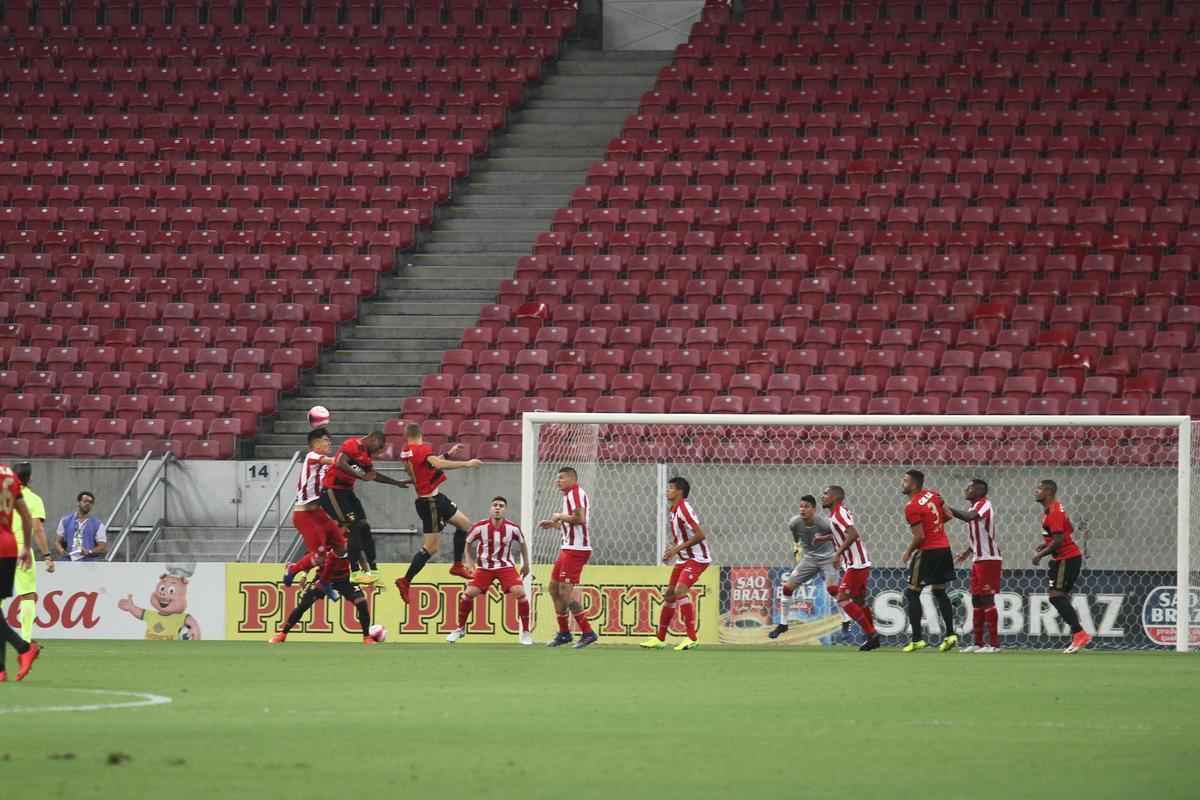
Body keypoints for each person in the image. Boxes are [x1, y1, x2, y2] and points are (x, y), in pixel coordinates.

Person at [394, 423, 483, 601]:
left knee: (465, 525)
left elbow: (427, 465)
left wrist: (449, 453)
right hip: (430, 503)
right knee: (431, 548)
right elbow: (437, 463)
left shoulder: (406, 451)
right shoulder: (421, 449)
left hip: (435, 498)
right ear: (421, 434)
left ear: (406, 436)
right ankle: (405, 580)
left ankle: (457, 565)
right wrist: (467, 463)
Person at [319, 429, 410, 584]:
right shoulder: (352, 444)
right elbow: (340, 462)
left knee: (364, 526)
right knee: (354, 526)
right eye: (379, 447)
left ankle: (372, 570)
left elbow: (372, 475)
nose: (379, 451)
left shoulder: (367, 457)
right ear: (374, 439)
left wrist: (396, 483)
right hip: (332, 492)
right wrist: (361, 475)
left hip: (347, 493)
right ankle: (354, 571)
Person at [446, 496, 533, 646]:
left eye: (501, 506)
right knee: (468, 594)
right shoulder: (480, 527)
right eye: (495, 505)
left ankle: (526, 632)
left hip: (505, 566)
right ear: (490, 508)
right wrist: (469, 561)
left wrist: (526, 564)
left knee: (520, 592)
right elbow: (468, 542)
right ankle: (460, 629)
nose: (497, 508)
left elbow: (523, 544)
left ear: (505, 510)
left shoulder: (513, 528)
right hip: (484, 567)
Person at [640, 476, 710, 651]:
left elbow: (700, 535)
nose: (667, 491)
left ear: (680, 491)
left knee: (680, 591)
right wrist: (672, 548)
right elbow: (682, 535)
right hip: (684, 558)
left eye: (671, 488)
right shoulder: (674, 509)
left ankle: (692, 638)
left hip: (697, 558)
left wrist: (676, 549)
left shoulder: (684, 509)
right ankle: (660, 639)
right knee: (670, 595)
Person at [768, 494, 845, 641]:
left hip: (828, 559)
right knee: (787, 588)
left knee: (832, 589)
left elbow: (840, 537)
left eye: (806, 507)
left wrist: (838, 555)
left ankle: (846, 621)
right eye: (801, 506)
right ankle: (783, 624)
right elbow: (796, 538)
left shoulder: (824, 524)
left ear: (814, 509)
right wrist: (797, 548)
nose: (802, 509)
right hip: (809, 559)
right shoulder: (794, 523)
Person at [539, 466, 598, 649]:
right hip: (567, 547)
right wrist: (554, 524)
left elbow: (579, 519)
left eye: (562, 478)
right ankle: (564, 633)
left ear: (572, 479)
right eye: (558, 478)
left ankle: (588, 632)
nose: (558, 481)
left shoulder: (576, 494)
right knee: (553, 588)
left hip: (576, 549)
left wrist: (559, 516)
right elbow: (572, 525)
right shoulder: (568, 495)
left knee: (565, 591)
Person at [899, 469, 958, 653]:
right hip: (944, 549)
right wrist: (934, 526)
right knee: (939, 591)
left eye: (905, 480)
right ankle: (950, 635)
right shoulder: (934, 494)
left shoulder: (911, 506)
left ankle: (917, 640)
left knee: (912, 593)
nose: (902, 483)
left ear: (913, 484)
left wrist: (908, 552)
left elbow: (919, 537)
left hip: (927, 551)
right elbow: (949, 515)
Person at [283, 427, 345, 596]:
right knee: (319, 556)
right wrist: (348, 460)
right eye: (326, 440)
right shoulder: (312, 456)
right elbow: (333, 461)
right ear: (315, 444)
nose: (329, 443)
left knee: (341, 548)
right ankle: (292, 568)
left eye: (329, 440)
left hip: (319, 513)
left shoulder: (325, 466)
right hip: (305, 515)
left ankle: (324, 581)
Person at [1033, 479, 1091, 654]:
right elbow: (1069, 529)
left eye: (1039, 488)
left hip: (1066, 558)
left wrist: (1040, 555)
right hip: (1066, 558)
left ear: (1049, 492)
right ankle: (1078, 634)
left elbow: (1058, 540)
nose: (1036, 491)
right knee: (1058, 596)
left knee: (1056, 596)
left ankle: (1079, 634)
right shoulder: (1056, 508)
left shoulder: (1054, 512)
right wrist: (1047, 544)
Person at [821, 485, 881, 652]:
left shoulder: (838, 514)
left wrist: (837, 553)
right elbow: (842, 534)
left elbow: (853, 534)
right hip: (858, 562)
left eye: (826, 494)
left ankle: (871, 634)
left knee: (842, 599)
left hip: (856, 563)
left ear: (834, 497)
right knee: (860, 601)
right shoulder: (838, 512)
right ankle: (873, 637)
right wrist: (825, 538)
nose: (822, 496)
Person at [269, 553, 376, 645]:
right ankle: (282, 634)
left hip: (344, 579)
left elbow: (360, 556)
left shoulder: (347, 541)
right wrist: (304, 575)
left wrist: (369, 575)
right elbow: (309, 559)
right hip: (323, 578)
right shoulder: (323, 541)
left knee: (361, 602)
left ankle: (366, 637)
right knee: (304, 605)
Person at [0, 463, 42, 680]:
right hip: (9, 545)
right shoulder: (7, 474)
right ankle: (1, 669)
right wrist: (25, 546)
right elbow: (25, 515)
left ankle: (24, 648)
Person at [949, 478, 1001, 653]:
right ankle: (978, 643)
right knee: (976, 600)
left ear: (979, 491)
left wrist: (945, 507)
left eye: (969, 488)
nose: (966, 489)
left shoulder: (984, 504)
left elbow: (968, 517)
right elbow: (980, 536)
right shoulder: (975, 506)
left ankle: (994, 645)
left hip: (989, 559)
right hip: (978, 559)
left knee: (987, 599)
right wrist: (967, 552)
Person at [8, 462, 54, 642]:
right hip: (22, 549)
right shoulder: (34, 500)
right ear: (30, 479)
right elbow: (38, 529)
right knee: (27, 595)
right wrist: (47, 556)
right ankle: (26, 641)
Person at [56, 491, 107, 561]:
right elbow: (58, 542)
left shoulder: (98, 524)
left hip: (88, 562)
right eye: (85, 501)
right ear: (78, 503)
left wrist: (89, 551)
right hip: (68, 560)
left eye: (90, 502)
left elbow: (102, 546)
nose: (88, 504)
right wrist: (61, 550)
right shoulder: (65, 521)